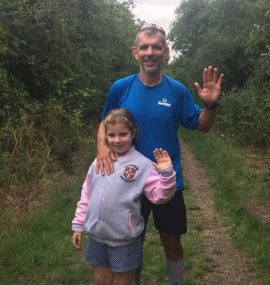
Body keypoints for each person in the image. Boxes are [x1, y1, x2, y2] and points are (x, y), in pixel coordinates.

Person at [96, 23, 224, 285]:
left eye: (156, 47)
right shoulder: (120, 88)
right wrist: (102, 147)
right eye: (144, 47)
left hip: (167, 181)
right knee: (129, 244)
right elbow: (105, 122)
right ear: (135, 52)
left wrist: (210, 105)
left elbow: (202, 125)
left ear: (166, 52)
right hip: (127, 181)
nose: (150, 52)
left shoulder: (177, 90)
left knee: (172, 242)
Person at [72, 108, 176, 285]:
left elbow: (160, 196)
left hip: (124, 239)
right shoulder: (99, 161)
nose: (117, 140)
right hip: (97, 236)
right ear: (105, 136)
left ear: (133, 133)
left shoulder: (142, 165)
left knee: (124, 282)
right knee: (101, 279)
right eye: (111, 135)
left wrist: (166, 173)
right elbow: (86, 194)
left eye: (123, 134)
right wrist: (78, 224)